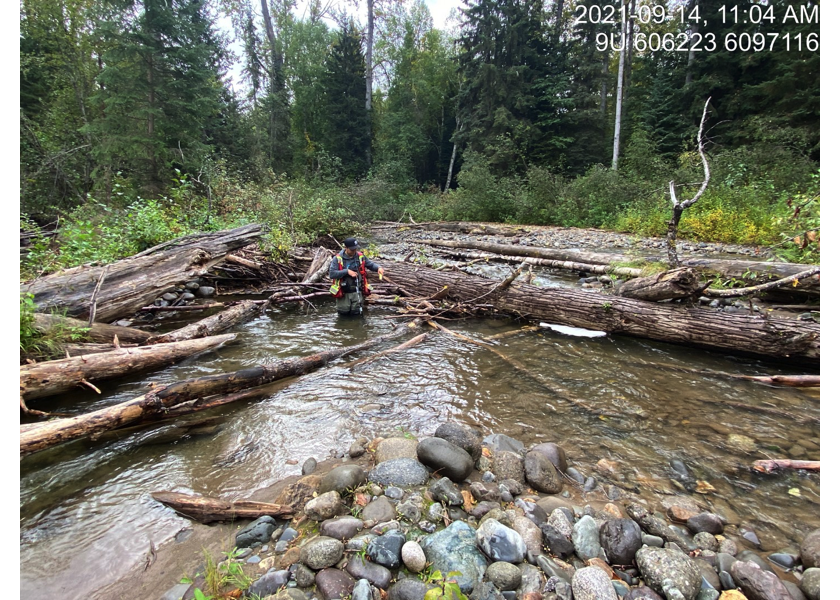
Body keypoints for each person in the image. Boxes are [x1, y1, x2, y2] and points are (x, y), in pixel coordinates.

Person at [328, 237, 384, 315]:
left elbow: (370, 264)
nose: (354, 251)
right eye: (352, 250)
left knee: (357, 314)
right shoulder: (337, 259)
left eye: (355, 249)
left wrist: (378, 267)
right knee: (343, 315)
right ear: (346, 248)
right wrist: (347, 271)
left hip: (358, 292)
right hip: (344, 294)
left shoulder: (360, 256)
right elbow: (332, 274)